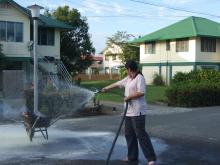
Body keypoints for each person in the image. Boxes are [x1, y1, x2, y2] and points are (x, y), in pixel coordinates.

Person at [102, 60, 157, 165]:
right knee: (129, 135)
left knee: (141, 135)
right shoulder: (128, 78)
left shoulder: (139, 78)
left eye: (126, 69)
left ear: (130, 69)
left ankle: (151, 158)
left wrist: (129, 97)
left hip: (138, 112)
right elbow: (118, 83)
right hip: (128, 112)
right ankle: (132, 157)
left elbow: (141, 92)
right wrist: (106, 88)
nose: (126, 71)